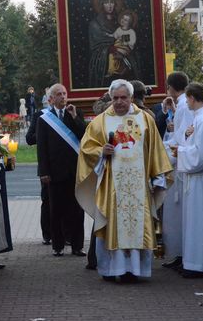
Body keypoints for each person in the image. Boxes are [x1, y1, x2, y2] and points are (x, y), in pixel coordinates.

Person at [76, 79, 172, 282]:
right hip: (113, 187)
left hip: (139, 186)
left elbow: (155, 150)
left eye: (123, 98)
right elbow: (86, 148)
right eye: (115, 98)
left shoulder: (145, 119)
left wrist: (158, 178)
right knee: (113, 226)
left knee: (136, 225)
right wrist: (101, 151)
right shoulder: (100, 121)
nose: (119, 102)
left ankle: (135, 270)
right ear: (110, 98)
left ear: (131, 98)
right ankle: (113, 270)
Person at [36, 83, 86, 256]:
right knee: (56, 210)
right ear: (52, 98)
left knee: (77, 210)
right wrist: (43, 172)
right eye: (59, 94)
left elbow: (84, 135)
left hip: (74, 170)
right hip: (54, 172)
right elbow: (41, 147)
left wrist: (74, 117)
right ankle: (57, 246)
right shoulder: (44, 118)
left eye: (64, 93)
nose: (63, 97)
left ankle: (77, 246)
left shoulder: (75, 113)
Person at [175, 83, 203, 278]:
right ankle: (192, 262)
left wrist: (180, 151)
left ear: (192, 98)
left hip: (200, 179)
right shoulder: (199, 118)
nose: (186, 102)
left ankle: (199, 265)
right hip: (194, 179)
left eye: (187, 99)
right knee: (193, 224)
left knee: (199, 224)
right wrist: (184, 139)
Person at [161, 71, 191, 271]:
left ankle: (178, 253)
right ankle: (178, 253)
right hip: (180, 160)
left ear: (170, 87)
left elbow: (180, 138)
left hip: (178, 165)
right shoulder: (182, 105)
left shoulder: (183, 106)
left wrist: (160, 150)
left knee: (175, 213)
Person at [25, 93, 54, 246]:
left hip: (66, 165)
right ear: (49, 100)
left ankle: (67, 235)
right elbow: (29, 139)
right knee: (47, 201)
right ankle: (47, 235)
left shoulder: (68, 113)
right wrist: (44, 135)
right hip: (47, 165)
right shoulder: (40, 115)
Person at [106, 11, 137, 79]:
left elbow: (132, 42)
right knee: (111, 55)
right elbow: (114, 35)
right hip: (117, 46)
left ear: (129, 23)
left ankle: (122, 68)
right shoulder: (119, 29)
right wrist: (109, 35)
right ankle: (112, 71)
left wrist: (125, 41)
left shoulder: (131, 32)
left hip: (125, 48)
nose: (123, 20)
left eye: (126, 20)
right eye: (122, 18)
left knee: (117, 54)